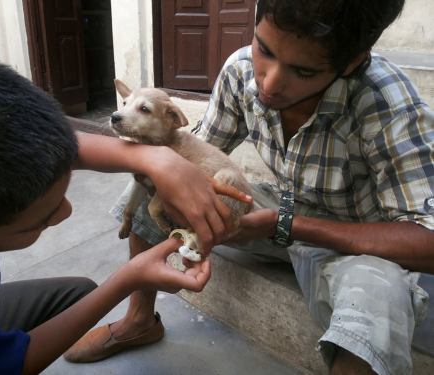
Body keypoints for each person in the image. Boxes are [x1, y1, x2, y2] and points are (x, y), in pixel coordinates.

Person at [66, 0, 434, 374]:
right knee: (157, 181)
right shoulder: (241, 69)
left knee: (376, 307)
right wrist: (160, 170)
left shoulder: (387, 103)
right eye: (265, 49)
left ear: (352, 62)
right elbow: (194, 151)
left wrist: (286, 224)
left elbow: (427, 238)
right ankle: (140, 321)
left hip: (357, 241)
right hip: (285, 205)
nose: (269, 83)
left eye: (303, 71)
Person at [0, 38, 251, 374]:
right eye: (39, 221)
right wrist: (126, 279)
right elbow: (11, 365)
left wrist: (159, 160)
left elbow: (73, 146)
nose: (67, 212)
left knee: (80, 293)